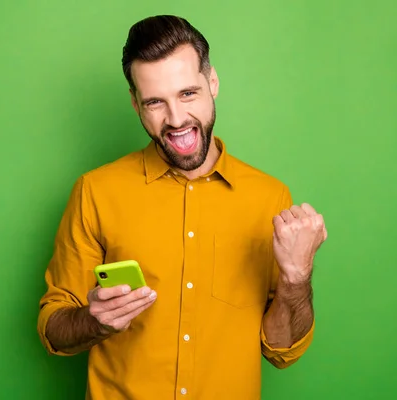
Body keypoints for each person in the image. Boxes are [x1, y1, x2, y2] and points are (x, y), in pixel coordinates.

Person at [37, 14, 327, 400]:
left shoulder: (269, 198)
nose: (176, 120)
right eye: (155, 102)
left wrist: (296, 279)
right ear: (135, 103)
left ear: (213, 83)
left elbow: (281, 351)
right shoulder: (95, 191)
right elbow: (54, 328)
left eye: (188, 93)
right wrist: (94, 321)